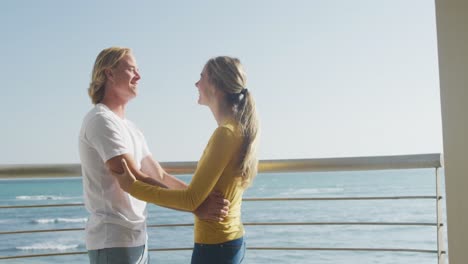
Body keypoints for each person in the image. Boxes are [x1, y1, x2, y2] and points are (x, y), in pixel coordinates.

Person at [79, 47, 230, 264]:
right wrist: (196, 207)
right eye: (132, 70)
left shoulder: (131, 128)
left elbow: (159, 176)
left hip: (137, 238)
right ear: (109, 74)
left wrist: (199, 198)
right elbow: (134, 178)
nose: (139, 76)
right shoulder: (100, 120)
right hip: (113, 240)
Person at [112, 56, 260, 264]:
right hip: (228, 242)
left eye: (202, 77)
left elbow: (191, 200)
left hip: (216, 247)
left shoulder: (225, 134)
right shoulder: (236, 130)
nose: (197, 84)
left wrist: (133, 187)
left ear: (216, 86)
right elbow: (198, 197)